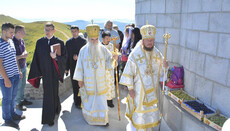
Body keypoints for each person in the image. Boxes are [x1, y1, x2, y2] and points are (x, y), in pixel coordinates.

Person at [119, 24, 168, 131]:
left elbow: (162, 74)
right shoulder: (135, 54)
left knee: (150, 115)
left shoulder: (157, 53)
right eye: (147, 40)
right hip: (138, 91)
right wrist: (130, 89)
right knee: (139, 115)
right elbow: (128, 73)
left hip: (153, 92)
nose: (150, 43)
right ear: (143, 40)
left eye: (152, 40)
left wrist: (165, 67)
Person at [73, 23, 118, 126]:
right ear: (88, 39)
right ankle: (90, 119)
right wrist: (80, 79)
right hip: (89, 82)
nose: (94, 42)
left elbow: (108, 61)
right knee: (90, 101)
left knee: (102, 100)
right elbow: (79, 66)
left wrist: (113, 59)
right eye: (92, 39)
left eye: (96, 39)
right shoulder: (83, 51)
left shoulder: (103, 49)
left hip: (100, 80)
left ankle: (103, 120)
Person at [28, 22, 66, 126]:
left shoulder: (60, 42)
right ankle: (49, 118)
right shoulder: (40, 42)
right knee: (48, 94)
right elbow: (36, 58)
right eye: (46, 30)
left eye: (49, 30)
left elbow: (64, 58)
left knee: (54, 92)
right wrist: (37, 73)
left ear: (54, 30)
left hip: (55, 73)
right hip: (45, 73)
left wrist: (56, 58)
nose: (47, 32)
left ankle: (56, 109)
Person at [0, 23, 25, 129]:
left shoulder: (10, 41)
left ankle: (13, 114)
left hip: (15, 75)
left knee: (13, 97)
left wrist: (18, 71)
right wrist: (6, 79)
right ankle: (7, 119)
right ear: (4, 31)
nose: (12, 34)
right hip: (7, 78)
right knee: (7, 99)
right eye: (10, 32)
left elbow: (14, 58)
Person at [65, 25, 86, 109]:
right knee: (75, 85)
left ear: (78, 31)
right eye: (72, 32)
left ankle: (83, 100)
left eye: (75, 31)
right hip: (73, 66)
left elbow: (86, 54)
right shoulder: (68, 42)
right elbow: (66, 56)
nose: (74, 33)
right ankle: (77, 101)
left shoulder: (84, 41)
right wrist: (66, 68)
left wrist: (79, 58)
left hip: (83, 66)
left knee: (82, 84)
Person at [13, 25, 32, 111]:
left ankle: (22, 99)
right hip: (17, 68)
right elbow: (13, 57)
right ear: (19, 32)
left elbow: (24, 50)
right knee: (18, 86)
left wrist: (24, 53)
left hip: (23, 66)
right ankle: (18, 103)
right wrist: (22, 56)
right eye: (23, 32)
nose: (25, 33)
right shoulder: (12, 42)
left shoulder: (22, 41)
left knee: (23, 84)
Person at [101, 31, 116, 108]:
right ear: (102, 38)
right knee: (103, 85)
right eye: (106, 38)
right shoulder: (99, 46)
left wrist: (115, 57)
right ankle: (103, 101)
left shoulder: (111, 46)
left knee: (110, 85)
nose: (108, 40)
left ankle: (109, 101)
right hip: (101, 70)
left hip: (109, 69)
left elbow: (115, 55)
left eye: (109, 38)